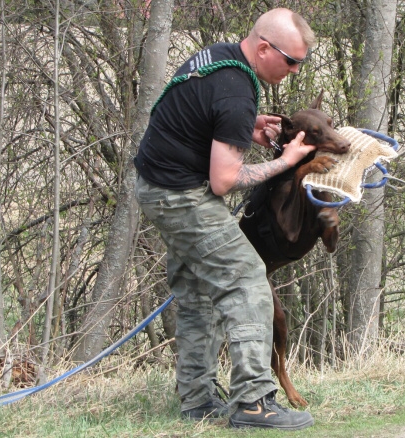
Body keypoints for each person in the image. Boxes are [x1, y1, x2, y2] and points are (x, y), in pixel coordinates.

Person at [134, 8, 316, 430]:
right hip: (181, 196)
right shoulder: (235, 92)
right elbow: (225, 180)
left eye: (300, 63)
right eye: (291, 61)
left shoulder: (221, 58)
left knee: (198, 290)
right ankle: (253, 402)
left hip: (158, 186)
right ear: (265, 47)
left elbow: (197, 113)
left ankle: (197, 400)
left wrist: (245, 125)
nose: (294, 70)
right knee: (247, 279)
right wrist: (285, 161)